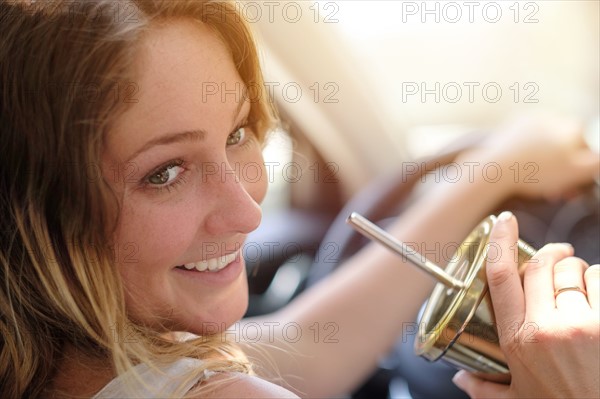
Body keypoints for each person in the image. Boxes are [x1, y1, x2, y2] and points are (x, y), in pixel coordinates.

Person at [0, 1, 597, 398]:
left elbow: (303, 345)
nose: (247, 213)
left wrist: (488, 172)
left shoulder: (92, 358)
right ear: (34, 215)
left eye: (237, 134)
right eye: (165, 173)